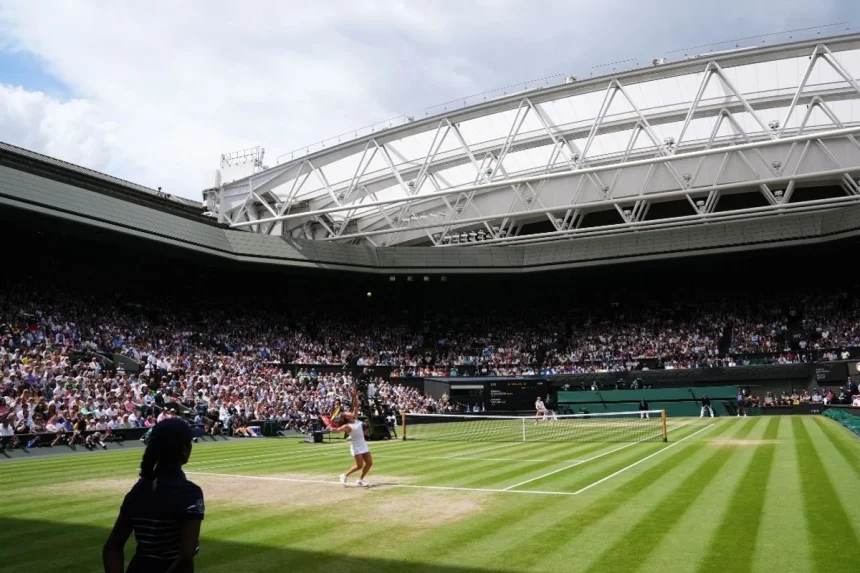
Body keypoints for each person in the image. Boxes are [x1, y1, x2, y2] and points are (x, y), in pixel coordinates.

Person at [102, 418, 204, 573]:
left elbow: (112, 547)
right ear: (184, 450)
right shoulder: (190, 492)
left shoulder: (138, 490)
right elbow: (185, 557)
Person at [327, 388, 373, 487]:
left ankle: (360, 480)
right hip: (356, 446)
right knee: (359, 465)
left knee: (369, 463)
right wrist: (330, 428)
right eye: (348, 413)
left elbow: (356, 406)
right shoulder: (347, 426)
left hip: (363, 444)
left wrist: (355, 395)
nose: (350, 412)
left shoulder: (355, 418)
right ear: (346, 417)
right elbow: (337, 430)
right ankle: (344, 475)